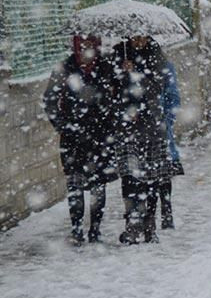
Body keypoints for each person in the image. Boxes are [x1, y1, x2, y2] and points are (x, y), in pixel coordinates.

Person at [43, 35, 118, 245]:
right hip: (73, 138)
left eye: (89, 45)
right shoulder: (65, 68)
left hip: (100, 137)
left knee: (98, 184)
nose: (86, 50)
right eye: (82, 45)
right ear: (76, 46)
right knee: (75, 184)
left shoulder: (106, 66)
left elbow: (118, 95)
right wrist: (63, 125)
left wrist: (110, 117)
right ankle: (76, 229)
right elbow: (49, 99)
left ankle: (95, 229)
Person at [112, 35, 171, 244]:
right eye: (135, 36)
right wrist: (121, 73)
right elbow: (110, 89)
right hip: (127, 128)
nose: (138, 40)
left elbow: (158, 86)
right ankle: (131, 225)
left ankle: (149, 225)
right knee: (129, 178)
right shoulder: (119, 53)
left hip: (151, 127)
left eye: (142, 36)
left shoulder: (156, 54)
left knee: (151, 179)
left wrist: (135, 72)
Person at [149, 61, 185, 230]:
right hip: (139, 129)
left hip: (160, 127)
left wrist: (166, 120)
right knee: (144, 175)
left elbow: (173, 97)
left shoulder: (162, 66)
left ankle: (166, 210)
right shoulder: (126, 62)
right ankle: (147, 216)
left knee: (163, 171)